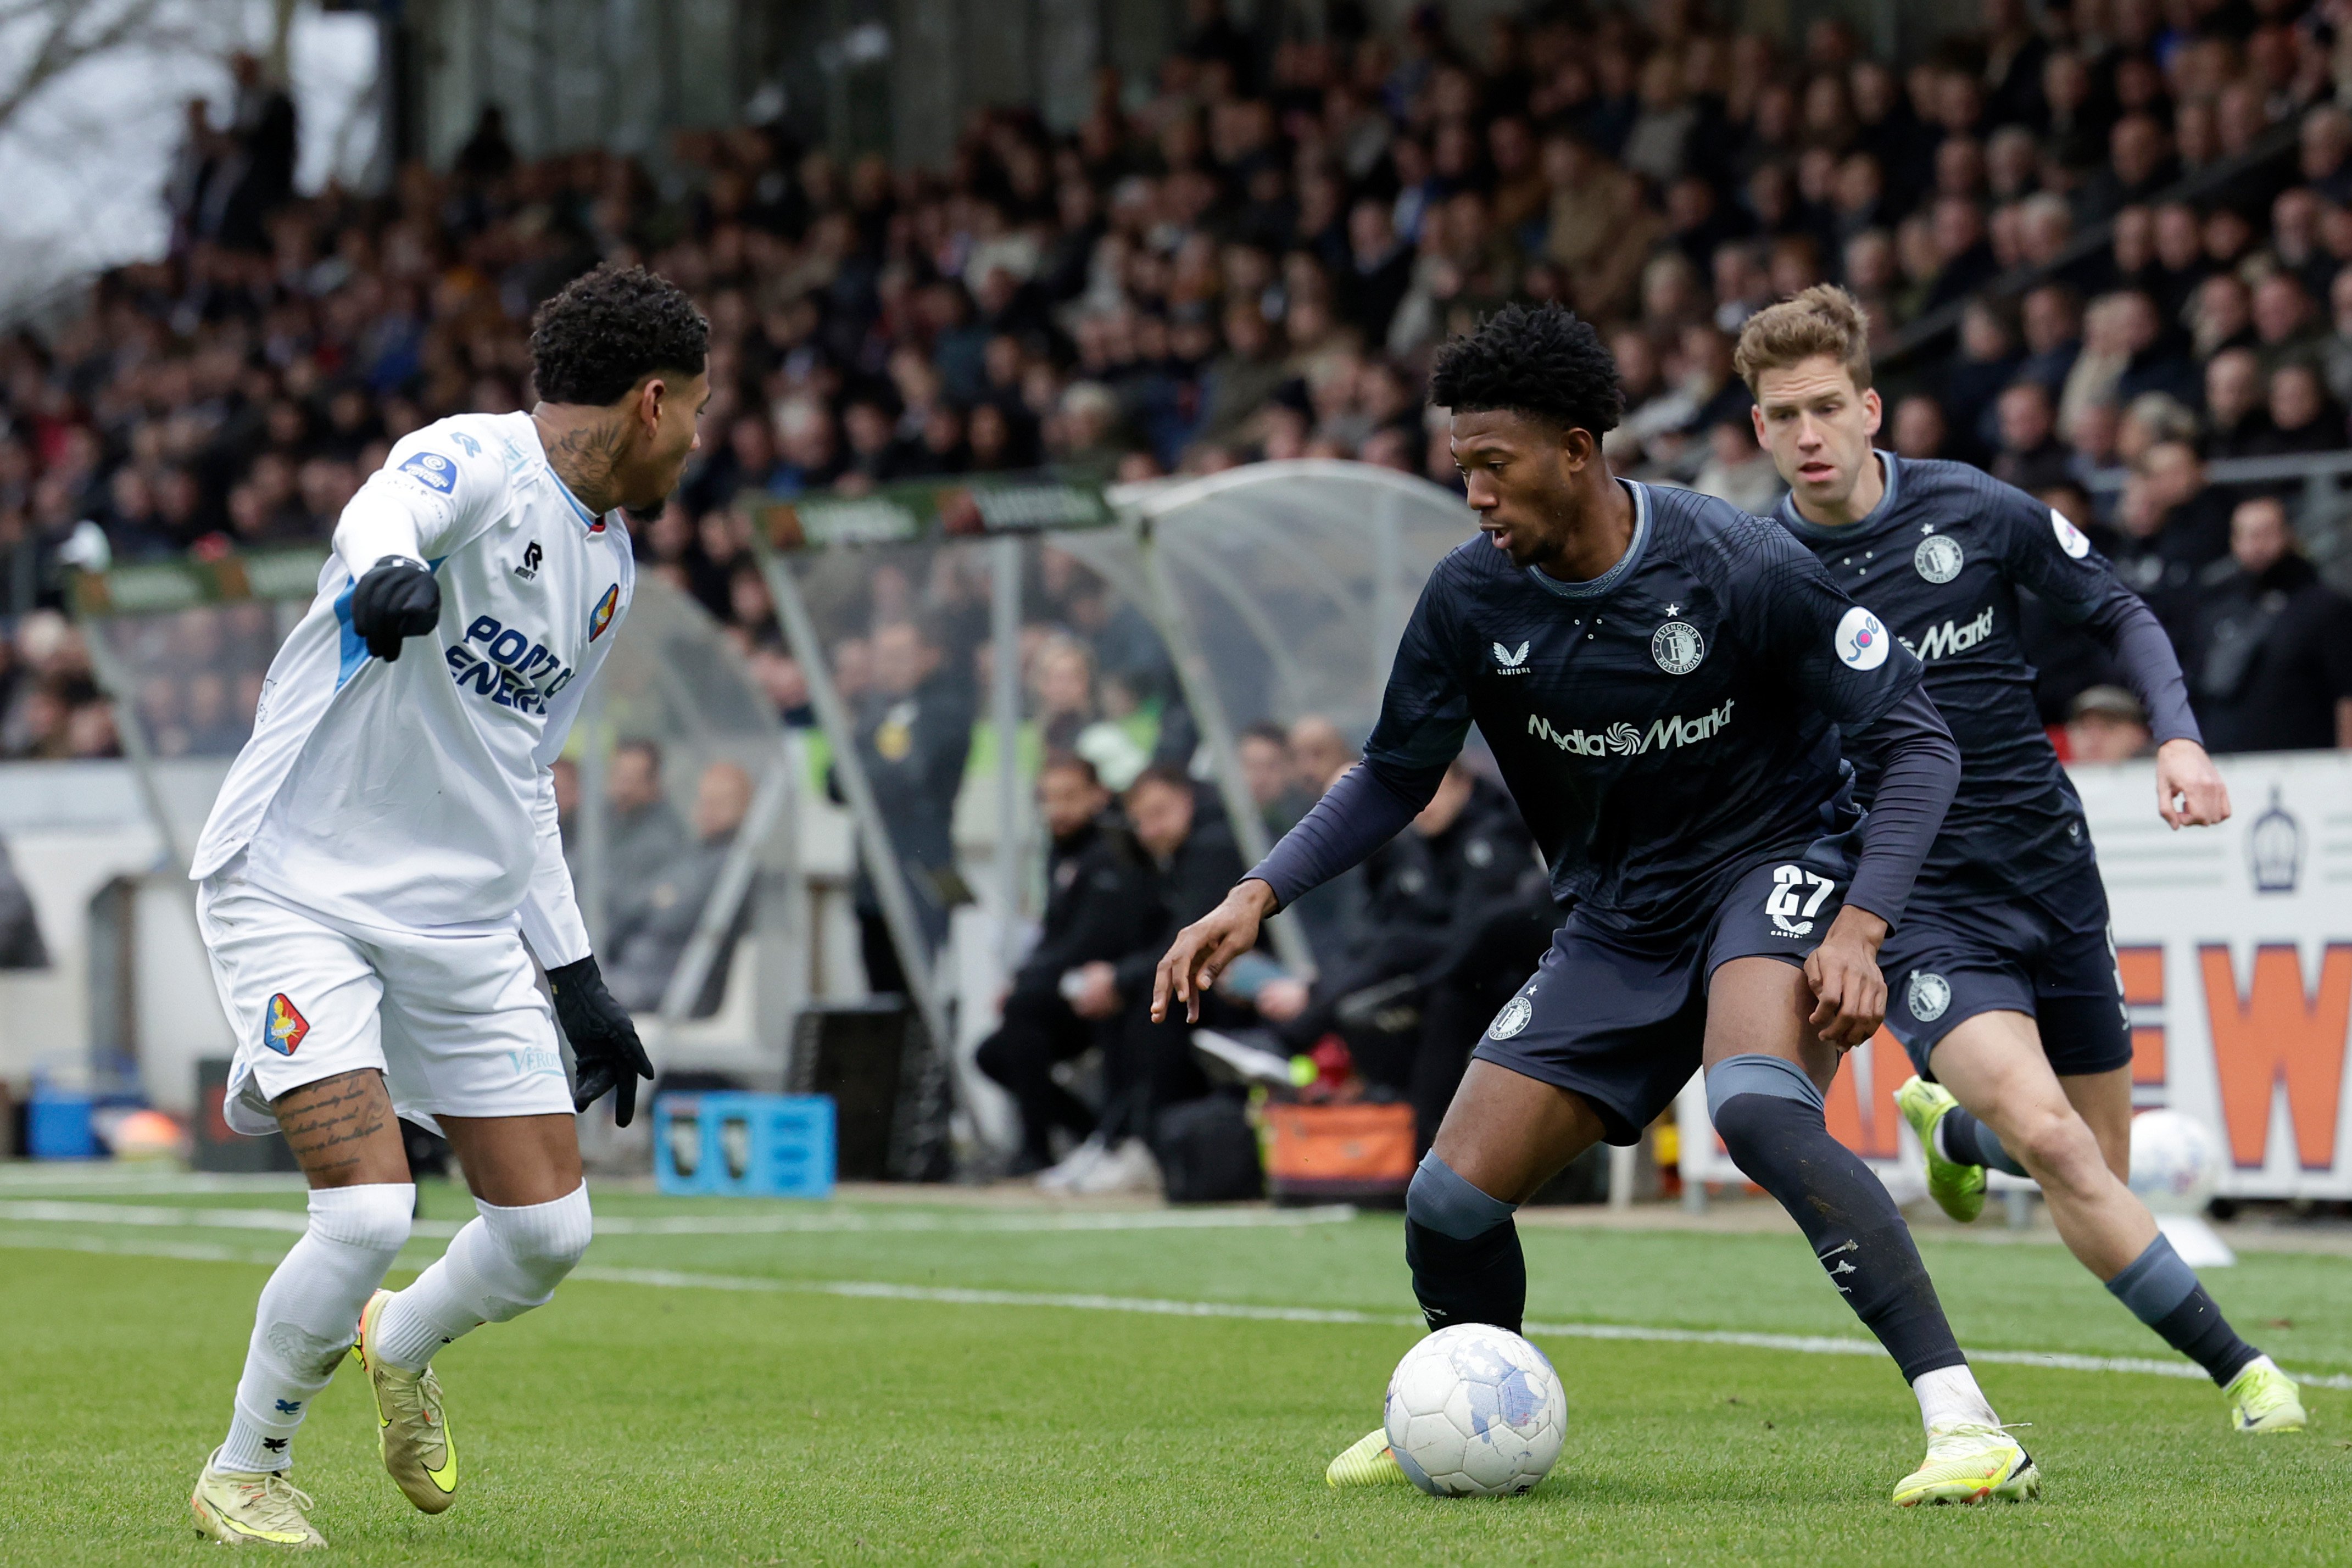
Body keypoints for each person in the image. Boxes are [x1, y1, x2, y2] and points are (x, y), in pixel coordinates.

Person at [1159, 302, 2016, 1507]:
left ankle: (1965, 1422)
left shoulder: (1736, 561)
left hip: (1773, 867)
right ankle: (1467, 1399)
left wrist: (1860, 927)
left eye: (1492, 464)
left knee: (1755, 1109)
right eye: (1461, 466)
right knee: (1447, 1199)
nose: (1474, 494)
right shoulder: (1469, 599)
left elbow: (1916, 741)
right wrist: (1256, 892)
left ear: (1574, 450)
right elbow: (1395, 773)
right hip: (1616, 918)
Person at [183, 263, 709, 1546]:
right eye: (697, 409)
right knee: (369, 1207)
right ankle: (245, 1466)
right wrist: (384, 575)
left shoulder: (610, 569)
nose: (698, 438)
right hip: (297, 887)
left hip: (463, 927)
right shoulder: (477, 457)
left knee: (547, 1232)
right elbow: (386, 506)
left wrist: (575, 975)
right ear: (651, 401)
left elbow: (521, 770)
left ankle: (400, 1338)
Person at [1740, 284, 2305, 1441]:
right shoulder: (1758, 569)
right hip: (1918, 903)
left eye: (1826, 406)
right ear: (1757, 429)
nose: (1807, 434)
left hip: (2051, 870)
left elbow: (2120, 611)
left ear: (1869, 409)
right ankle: (2247, 1373)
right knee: (2052, 1142)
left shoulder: (1972, 508)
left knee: (2097, 1161)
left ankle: (1950, 1132)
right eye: (1782, 415)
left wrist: (2177, 734)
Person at [1064, 763, 1245, 1194]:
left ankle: (1148, 1147)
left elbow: (1190, 939)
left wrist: (1118, 978)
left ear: (1187, 801)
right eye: (1141, 821)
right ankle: (1120, 1140)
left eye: (1159, 814)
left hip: (1238, 985)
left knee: (1156, 1003)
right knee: (1131, 1002)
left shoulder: (1214, 848)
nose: (1149, 831)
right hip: (1212, 982)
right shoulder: (1169, 857)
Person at [973, 753, 1156, 1174]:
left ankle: (1037, 1150)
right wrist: (1022, 978)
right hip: (1069, 988)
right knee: (993, 1053)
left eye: (1070, 796)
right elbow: (1055, 931)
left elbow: (1092, 940)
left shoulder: (1111, 851)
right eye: (1049, 798)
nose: (1058, 809)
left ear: (1098, 796)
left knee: (1022, 1013)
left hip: (1114, 988)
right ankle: (1089, 1131)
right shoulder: (1060, 851)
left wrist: (1028, 982)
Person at [2185, 494, 2352, 754]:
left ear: (2288, 535)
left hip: (2304, 761)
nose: (2255, 545)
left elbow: (2346, 694)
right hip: (2224, 758)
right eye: (2245, 534)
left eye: (2265, 533)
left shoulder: (2325, 606)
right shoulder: (2216, 603)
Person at [603, 760, 757, 1014]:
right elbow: (643, 901)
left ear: (744, 808)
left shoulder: (734, 863)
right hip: (643, 972)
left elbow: (675, 915)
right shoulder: (696, 854)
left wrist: (655, 902)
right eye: (705, 801)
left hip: (681, 985)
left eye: (720, 802)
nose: (708, 810)